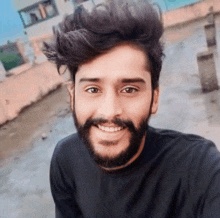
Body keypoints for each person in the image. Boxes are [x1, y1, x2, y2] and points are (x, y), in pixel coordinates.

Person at [43, 0, 220, 217]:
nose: (109, 112)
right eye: (92, 89)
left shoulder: (200, 168)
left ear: (154, 98)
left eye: (129, 89)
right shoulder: (65, 160)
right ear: (73, 97)